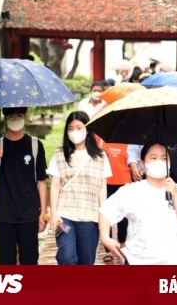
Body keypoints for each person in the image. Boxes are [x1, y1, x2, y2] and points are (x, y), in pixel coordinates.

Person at [99, 141, 177, 265]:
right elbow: (106, 212)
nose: (159, 162)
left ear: (170, 163)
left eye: (164, 158)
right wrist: (105, 238)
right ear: (143, 163)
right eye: (153, 158)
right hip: (137, 263)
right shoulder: (132, 191)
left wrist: (176, 195)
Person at [0, 107, 47, 265]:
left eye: (19, 115)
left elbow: (42, 182)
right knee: (6, 261)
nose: (15, 119)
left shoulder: (36, 146)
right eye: (11, 116)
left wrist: (43, 214)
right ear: (5, 120)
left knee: (30, 261)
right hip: (4, 214)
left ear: (25, 117)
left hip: (29, 213)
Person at [47, 111, 112, 265]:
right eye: (70, 128)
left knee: (86, 261)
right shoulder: (59, 154)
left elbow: (102, 189)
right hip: (65, 217)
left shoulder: (101, 156)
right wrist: (53, 214)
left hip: (90, 217)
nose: (74, 132)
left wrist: (104, 218)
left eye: (79, 127)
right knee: (67, 256)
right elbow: (55, 185)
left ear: (87, 129)